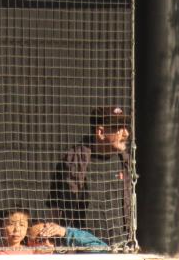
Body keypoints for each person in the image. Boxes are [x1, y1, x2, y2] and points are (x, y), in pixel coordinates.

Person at [49, 104, 133, 249]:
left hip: (121, 246)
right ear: (100, 132)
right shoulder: (73, 160)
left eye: (126, 127)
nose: (126, 133)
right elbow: (55, 206)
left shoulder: (126, 161)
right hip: (84, 246)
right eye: (118, 128)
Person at [26, 218, 109, 252]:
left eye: (51, 239)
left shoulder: (64, 259)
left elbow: (103, 248)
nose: (47, 243)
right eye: (41, 239)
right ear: (29, 243)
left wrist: (65, 232)